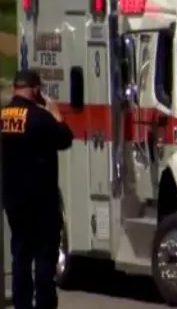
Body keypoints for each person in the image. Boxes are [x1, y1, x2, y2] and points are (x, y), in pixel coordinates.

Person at [1, 70, 73, 309]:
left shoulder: (3, 116)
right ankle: (43, 304)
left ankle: (22, 305)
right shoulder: (40, 118)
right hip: (41, 202)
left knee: (20, 257)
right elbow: (65, 138)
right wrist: (56, 115)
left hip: (13, 201)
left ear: (14, 88)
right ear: (35, 89)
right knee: (44, 259)